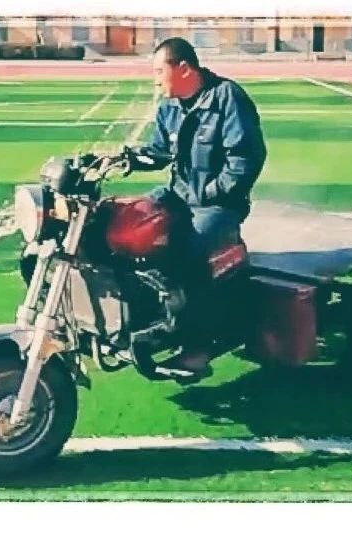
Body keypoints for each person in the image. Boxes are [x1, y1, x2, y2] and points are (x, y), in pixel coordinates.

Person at [127, 37, 267, 382]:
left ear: (184, 69)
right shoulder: (170, 107)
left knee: (190, 252)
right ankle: (142, 314)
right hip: (178, 195)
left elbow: (246, 159)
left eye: (159, 71)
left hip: (219, 204)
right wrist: (125, 159)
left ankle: (197, 347)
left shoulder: (227, 98)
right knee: (131, 223)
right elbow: (159, 152)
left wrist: (210, 192)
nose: (155, 80)